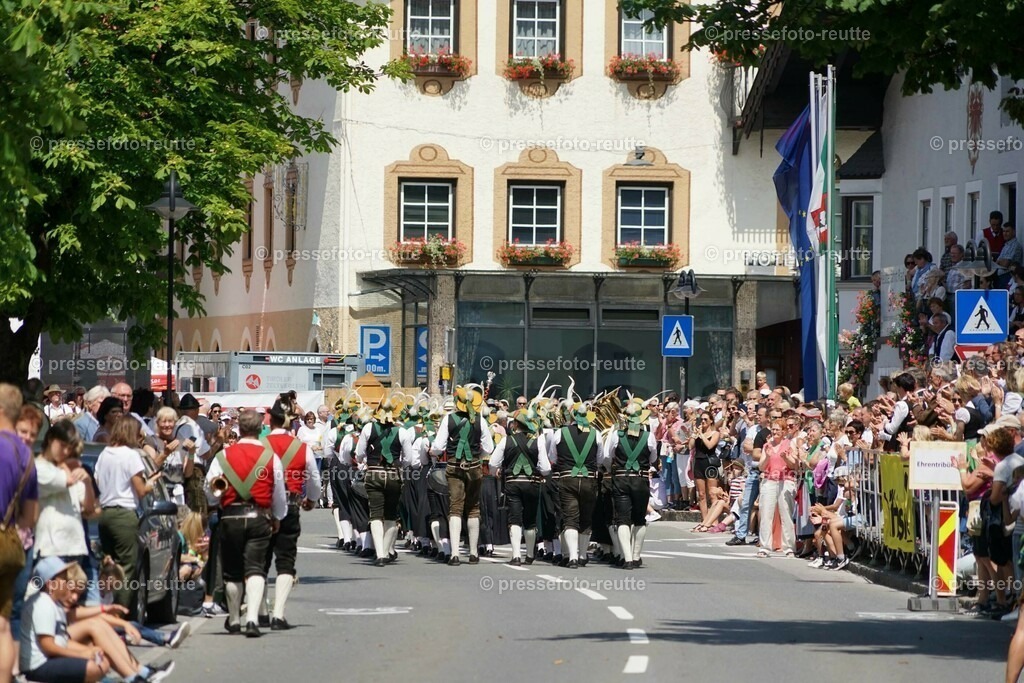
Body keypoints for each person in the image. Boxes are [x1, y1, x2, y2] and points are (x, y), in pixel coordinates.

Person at [20, 557, 172, 683]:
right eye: (64, 579)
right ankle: (134, 677)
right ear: (50, 584)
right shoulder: (43, 604)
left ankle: (136, 675)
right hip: (39, 665)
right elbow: (49, 646)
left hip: (54, 653)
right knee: (95, 664)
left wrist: (88, 650)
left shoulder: (53, 603)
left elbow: (63, 638)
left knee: (100, 652)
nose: (67, 583)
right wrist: (82, 653)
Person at [206, 410, 287, 637]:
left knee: (232, 572)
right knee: (256, 569)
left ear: (239, 429)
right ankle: (252, 619)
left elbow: (210, 491)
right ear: (261, 429)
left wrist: (217, 501)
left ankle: (233, 619)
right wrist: (278, 517)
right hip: (259, 517)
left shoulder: (223, 456)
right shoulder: (271, 457)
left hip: (230, 517)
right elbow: (279, 493)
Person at [258, 394, 319, 629]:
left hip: (261, 508)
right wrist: (311, 500)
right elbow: (314, 480)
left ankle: (260, 610)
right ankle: (278, 614)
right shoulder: (302, 449)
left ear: (270, 421)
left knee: (260, 561)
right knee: (285, 561)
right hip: (291, 506)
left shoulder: (260, 445)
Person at [94, 417, 161, 610]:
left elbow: (98, 481)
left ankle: (103, 605)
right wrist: (151, 483)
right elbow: (140, 490)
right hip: (124, 513)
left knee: (108, 563)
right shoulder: (131, 455)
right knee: (126, 566)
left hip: (105, 513)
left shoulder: (105, 453)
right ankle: (120, 612)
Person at [430, 386, 494, 566]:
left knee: (455, 508)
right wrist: (476, 458)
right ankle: (473, 553)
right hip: (474, 468)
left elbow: (438, 447)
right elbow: (488, 448)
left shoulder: (448, 419)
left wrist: (433, 452)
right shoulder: (481, 420)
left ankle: (455, 554)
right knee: (473, 508)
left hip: (454, 467)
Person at [600, 399, 657, 570]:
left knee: (622, 519)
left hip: (621, 479)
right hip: (640, 480)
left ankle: (627, 558)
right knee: (639, 519)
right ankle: (636, 555)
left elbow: (607, 458)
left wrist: (616, 468)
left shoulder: (616, 435)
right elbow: (653, 458)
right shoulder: (650, 436)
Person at [490, 410, 549, 565]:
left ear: (515, 424)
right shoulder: (538, 442)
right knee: (530, 520)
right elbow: (546, 469)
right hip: (532, 484)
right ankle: (529, 555)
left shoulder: (505, 440)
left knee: (514, 518)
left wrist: (495, 472)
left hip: (512, 484)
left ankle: (516, 555)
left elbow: (492, 463)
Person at [355, 396, 408, 568]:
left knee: (376, 514)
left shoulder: (368, 428)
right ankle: (385, 552)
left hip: (374, 474)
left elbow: (359, 454)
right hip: (393, 475)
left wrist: (367, 459)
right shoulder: (402, 431)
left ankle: (380, 554)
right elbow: (409, 459)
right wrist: (398, 463)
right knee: (392, 516)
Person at [546, 402, 600, 568]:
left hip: (567, 478)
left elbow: (552, 458)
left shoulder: (560, 433)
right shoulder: (596, 433)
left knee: (570, 518)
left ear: (571, 416)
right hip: (589, 479)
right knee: (586, 518)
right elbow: (600, 459)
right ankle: (583, 555)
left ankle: (573, 557)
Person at [756, 418, 799, 557]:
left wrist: (785, 458)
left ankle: (789, 547)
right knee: (766, 514)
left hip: (785, 480)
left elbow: (794, 465)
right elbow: (761, 466)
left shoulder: (789, 443)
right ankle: (765, 547)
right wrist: (767, 457)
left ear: (784, 431)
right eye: (773, 429)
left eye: (777, 430)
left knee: (786, 514)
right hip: (769, 480)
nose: (774, 432)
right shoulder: (767, 445)